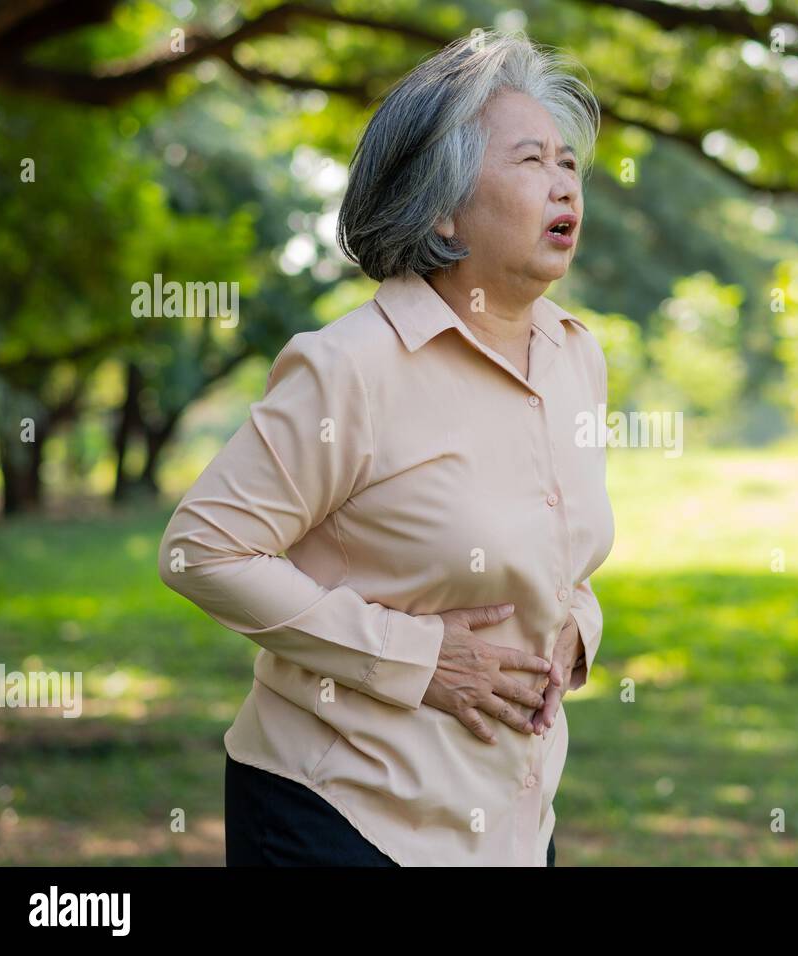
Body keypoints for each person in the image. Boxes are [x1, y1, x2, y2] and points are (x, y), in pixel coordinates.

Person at [158, 28, 612, 866]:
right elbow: (201, 551)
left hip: (513, 825)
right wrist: (418, 660)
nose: (563, 184)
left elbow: (564, 556)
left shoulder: (576, 356)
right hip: (339, 817)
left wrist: (575, 628)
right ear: (443, 206)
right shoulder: (351, 368)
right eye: (530, 161)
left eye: (568, 163)